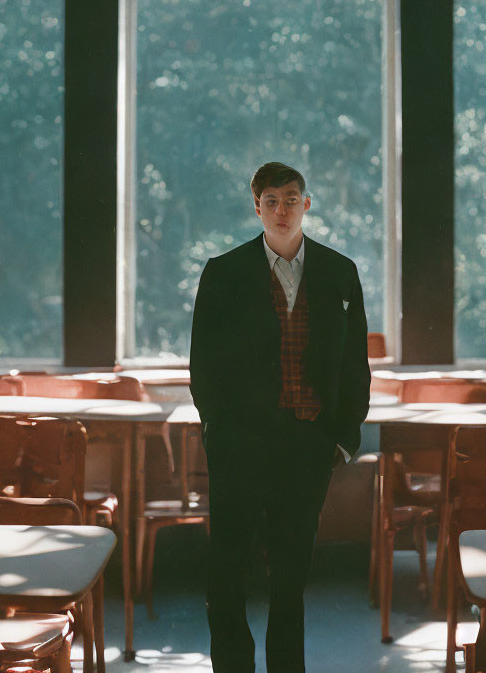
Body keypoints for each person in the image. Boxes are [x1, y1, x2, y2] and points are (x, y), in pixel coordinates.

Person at [189, 161, 371, 673]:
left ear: (306, 204)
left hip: (307, 445)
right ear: (256, 208)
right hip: (240, 448)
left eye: (291, 199)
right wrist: (220, 438)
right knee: (227, 577)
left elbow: (356, 365)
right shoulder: (223, 273)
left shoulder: (340, 273)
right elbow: (203, 368)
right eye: (271, 201)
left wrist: (342, 438)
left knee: (290, 581)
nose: (282, 210)